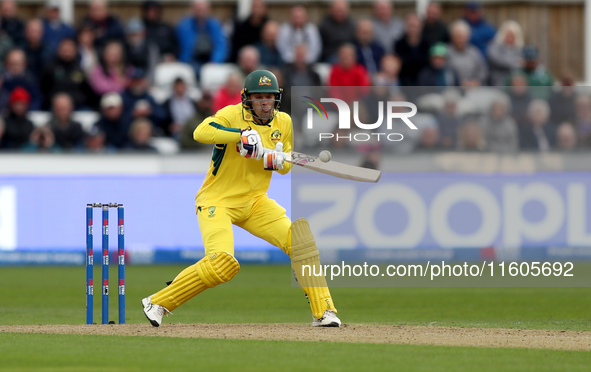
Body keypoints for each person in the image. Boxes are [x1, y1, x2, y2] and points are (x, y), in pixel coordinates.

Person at [142, 69, 341, 328]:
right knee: (223, 263)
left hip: (256, 201)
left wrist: (273, 159)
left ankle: (324, 312)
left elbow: (286, 165)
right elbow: (200, 132)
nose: (264, 103)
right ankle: (157, 302)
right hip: (217, 200)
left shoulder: (284, 122)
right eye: (258, 97)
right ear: (246, 98)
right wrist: (240, 135)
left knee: (300, 241)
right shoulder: (231, 114)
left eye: (269, 97)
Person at [176, 0, 227, 77]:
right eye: (198, 10)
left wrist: (215, 61)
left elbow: (221, 45)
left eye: (202, 10)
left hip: (210, 60)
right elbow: (177, 45)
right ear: (193, 9)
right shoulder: (183, 26)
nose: (200, 12)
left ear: (208, 10)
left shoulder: (215, 25)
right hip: (190, 61)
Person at [487, 20, 523, 87]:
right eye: (508, 35)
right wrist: (514, 63)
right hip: (498, 79)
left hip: (515, 81)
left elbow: (522, 63)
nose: (510, 38)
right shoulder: (494, 46)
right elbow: (496, 60)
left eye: (513, 36)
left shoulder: (520, 49)